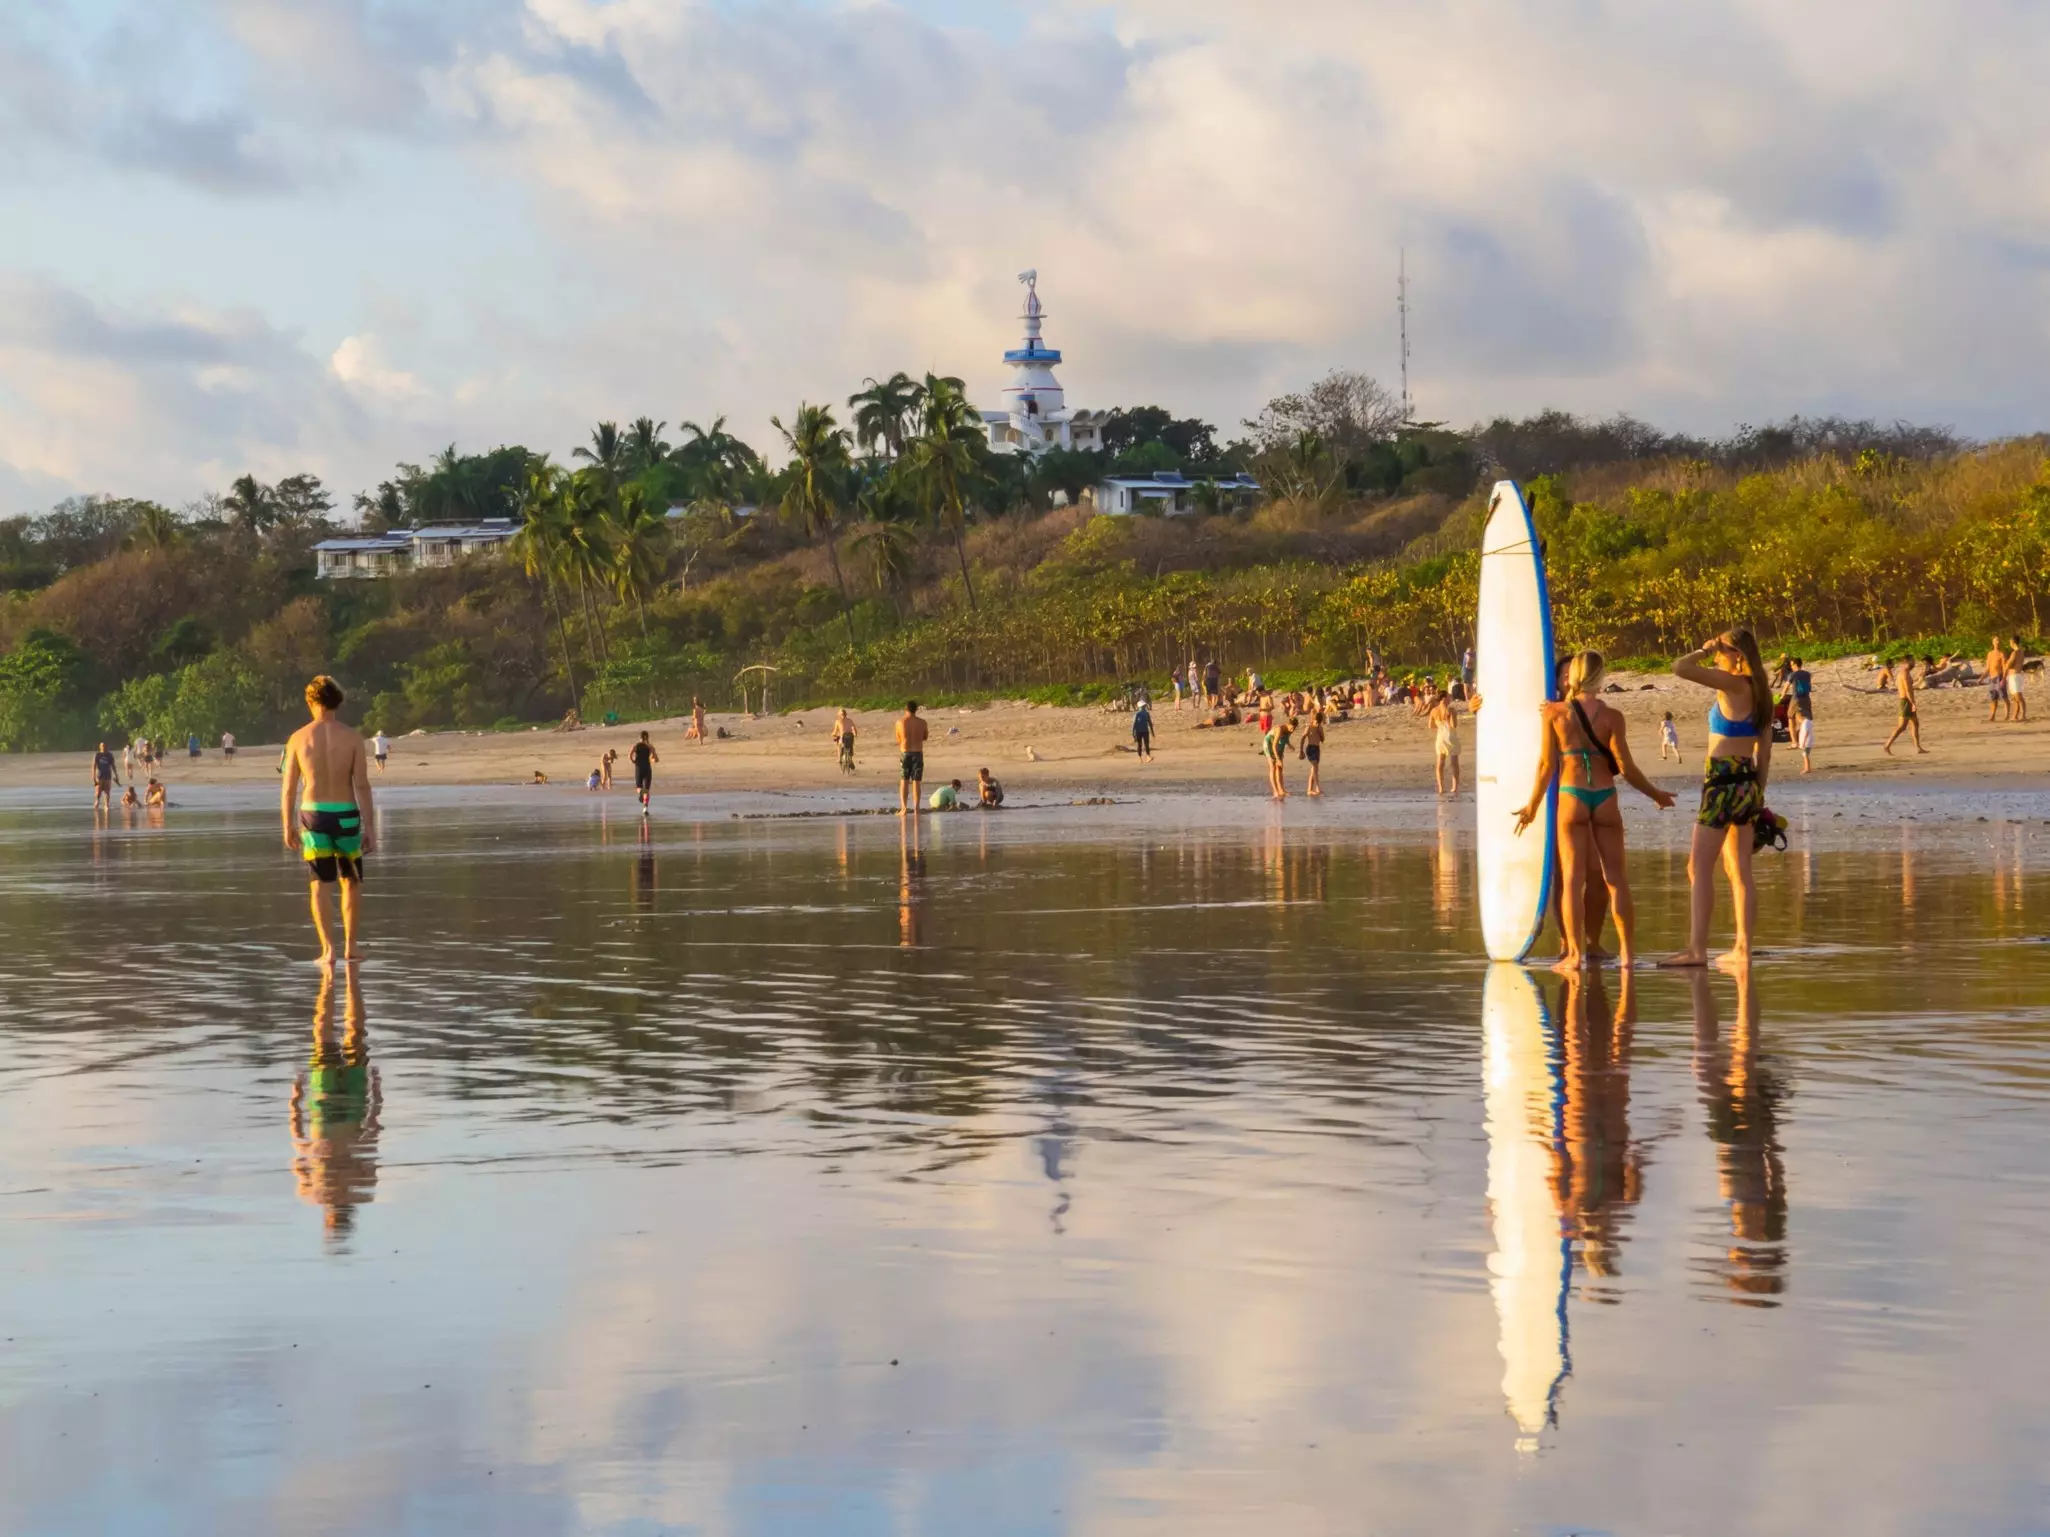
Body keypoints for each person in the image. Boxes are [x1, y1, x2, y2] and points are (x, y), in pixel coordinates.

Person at [1516, 651, 1675, 972]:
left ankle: (1574, 957)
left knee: (1573, 881)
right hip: (1604, 796)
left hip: (1571, 795)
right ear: (1601, 677)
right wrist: (1655, 793)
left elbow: (1547, 765)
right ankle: (1628, 956)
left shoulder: (1554, 713)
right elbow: (1626, 769)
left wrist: (1531, 806)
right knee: (1617, 879)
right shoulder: (1613, 717)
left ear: (1572, 676)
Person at [1662, 629, 1772, 969]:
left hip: (1722, 781)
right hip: (1748, 782)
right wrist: (1757, 798)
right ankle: (1743, 948)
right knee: (1739, 871)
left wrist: (1700, 649)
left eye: (1721, 647)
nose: (1716, 652)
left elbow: (1679, 667)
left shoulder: (1733, 683)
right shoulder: (1762, 692)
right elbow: (1764, 755)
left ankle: (1697, 950)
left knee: (1698, 867)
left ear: (1737, 653)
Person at [282, 676, 375, 967]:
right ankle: (351, 946)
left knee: (320, 884)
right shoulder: (353, 737)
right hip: (346, 815)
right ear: (338, 702)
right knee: (351, 881)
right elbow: (362, 784)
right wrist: (370, 826)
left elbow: (288, 788)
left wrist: (287, 824)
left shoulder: (298, 738)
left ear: (311, 702)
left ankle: (328, 950)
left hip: (313, 816)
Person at [1882, 658, 1927, 756]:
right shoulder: (1904, 674)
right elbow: (1908, 690)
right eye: (1912, 662)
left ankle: (1918, 747)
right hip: (1906, 702)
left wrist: (1920, 676)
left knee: (1915, 724)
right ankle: (1887, 745)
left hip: (1907, 701)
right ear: (1905, 663)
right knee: (1902, 726)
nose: (1913, 664)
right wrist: (1913, 703)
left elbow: (1910, 685)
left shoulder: (1904, 673)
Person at [895, 700, 928, 814]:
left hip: (905, 752)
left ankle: (904, 808)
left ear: (906, 709)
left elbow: (898, 738)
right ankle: (916, 807)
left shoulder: (900, 722)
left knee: (904, 780)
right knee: (916, 781)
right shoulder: (922, 722)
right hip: (918, 753)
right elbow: (925, 736)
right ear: (916, 709)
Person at [1428, 691, 1462, 796]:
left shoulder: (1434, 710)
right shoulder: (1451, 710)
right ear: (1443, 698)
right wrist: (1450, 715)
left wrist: (1440, 724)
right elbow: (1454, 725)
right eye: (1448, 697)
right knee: (1454, 764)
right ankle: (1454, 787)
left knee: (1440, 764)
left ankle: (1441, 788)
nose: (1450, 698)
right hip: (1451, 738)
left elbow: (1431, 726)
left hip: (1440, 738)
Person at [1264, 713, 1294, 800]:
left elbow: (1285, 738)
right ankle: (1275, 791)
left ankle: (1281, 790)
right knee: (1273, 766)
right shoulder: (1279, 729)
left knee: (1280, 767)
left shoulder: (1289, 730)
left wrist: (1289, 745)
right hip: (1270, 745)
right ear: (1287, 724)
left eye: (1294, 728)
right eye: (1291, 727)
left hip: (1280, 746)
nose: (1292, 730)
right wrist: (1277, 759)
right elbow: (1273, 745)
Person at [628, 730, 658, 810]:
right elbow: (655, 758)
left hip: (639, 767)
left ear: (640, 737)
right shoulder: (649, 746)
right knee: (647, 790)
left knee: (639, 787)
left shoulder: (636, 745)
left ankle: (641, 792)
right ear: (647, 737)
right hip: (647, 768)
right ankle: (645, 808)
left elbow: (630, 755)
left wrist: (633, 761)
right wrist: (652, 753)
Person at [1298, 710, 1326, 797]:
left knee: (1313, 770)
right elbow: (1302, 738)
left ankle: (1309, 789)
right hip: (1310, 748)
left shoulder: (1320, 728)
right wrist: (1301, 751)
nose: (1318, 723)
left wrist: (1319, 731)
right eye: (1317, 721)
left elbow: (1322, 740)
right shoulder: (1309, 727)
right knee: (1315, 767)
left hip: (1317, 748)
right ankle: (1317, 787)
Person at [1985, 636, 2010, 721]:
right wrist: (1981, 678)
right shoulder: (1990, 654)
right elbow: (1988, 668)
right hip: (1992, 678)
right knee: (1993, 698)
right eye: (1996, 641)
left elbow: (2005, 667)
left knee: (2004, 696)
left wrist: (2004, 678)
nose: (1997, 642)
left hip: (1999, 677)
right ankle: (1992, 715)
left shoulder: (2001, 654)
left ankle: (2007, 715)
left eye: (1999, 641)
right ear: (1993, 642)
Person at [90, 740, 118, 811]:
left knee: (107, 790)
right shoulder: (97, 755)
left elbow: (113, 765)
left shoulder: (110, 755)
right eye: (102, 746)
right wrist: (93, 776)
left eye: (105, 746)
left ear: (107, 747)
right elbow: (94, 766)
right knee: (98, 790)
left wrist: (116, 775)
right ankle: (97, 801)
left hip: (108, 774)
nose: (104, 747)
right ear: (100, 747)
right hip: (100, 774)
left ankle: (106, 805)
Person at [2008, 639, 2030, 722]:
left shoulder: (2015, 653)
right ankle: (2015, 715)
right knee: (2015, 697)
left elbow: (2009, 665)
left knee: (2018, 696)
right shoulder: (2021, 652)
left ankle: (2023, 715)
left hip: (2015, 676)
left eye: (2010, 642)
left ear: (2013, 642)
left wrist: (2007, 663)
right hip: (2016, 675)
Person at [1786, 658, 1812, 726]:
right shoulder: (1807, 674)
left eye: (1791, 665)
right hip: (1806, 698)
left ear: (1795, 664)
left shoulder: (1793, 675)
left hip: (1796, 699)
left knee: (1790, 717)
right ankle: (1803, 732)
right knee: (1805, 717)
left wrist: (1781, 696)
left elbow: (1786, 687)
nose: (1791, 667)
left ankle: (1794, 736)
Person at [833, 708, 857, 773]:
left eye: (841, 715)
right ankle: (850, 760)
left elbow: (835, 732)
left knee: (839, 745)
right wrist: (855, 734)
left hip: (843, 738)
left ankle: (839, 758)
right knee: (850, 746)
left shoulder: (838, 721)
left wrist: (834, 736)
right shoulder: (850, 720)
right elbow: (853, 729)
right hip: (850, 737)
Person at [1132, 696, 1154, 761]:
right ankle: (1140, 757)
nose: (1144, 707)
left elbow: (1150, 723)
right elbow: (1134, 724)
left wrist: (1152, 732)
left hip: (1145, 731)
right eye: (1143, 706)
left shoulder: (1147, 713)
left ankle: (1148, 756)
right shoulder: (1137, 714)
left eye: (1144, 706)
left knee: (1146, 744)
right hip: (1138, 731)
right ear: (1140, 707)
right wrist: (1133, 733)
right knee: (1139, 745)